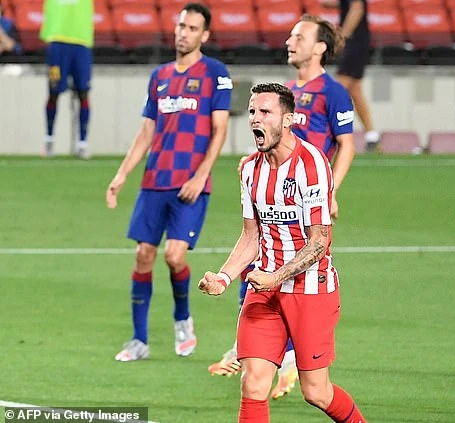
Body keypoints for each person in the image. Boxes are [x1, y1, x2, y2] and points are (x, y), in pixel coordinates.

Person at [207, 14, 355, 401]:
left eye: (299, 36)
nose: (290, 42)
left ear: (320, 47)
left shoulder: (332, 92)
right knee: (257, 265)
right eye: (290, 36)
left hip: (309, 202)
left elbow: (347, 145)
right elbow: (250, 235)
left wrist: (331, 190)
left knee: (317, 391)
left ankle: (288, 356)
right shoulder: (286, 93)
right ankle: (260, 350)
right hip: (276, 199)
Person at [105, 2, 232, 362]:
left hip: (190, 184)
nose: (183, 33)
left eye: (192, 28)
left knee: (175, 256)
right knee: (143, 255)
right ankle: (139, 340)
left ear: (204, 35)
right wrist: (122, 174)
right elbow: (147, 131)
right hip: (154, 181)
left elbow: (220, 130)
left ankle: (182, 319)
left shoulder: (215, 73)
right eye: (181, 26)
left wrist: (201, 175)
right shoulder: (159, 76)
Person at [322, 0, 379, 151]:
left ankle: (321, 133)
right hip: (358, 43)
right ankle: (372, 136)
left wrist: (341, 36)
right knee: (355, 90)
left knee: (337, 88)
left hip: (355, 43)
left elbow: (357, 9)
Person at [40, 0, 94, 159]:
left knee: (84, 92)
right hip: (57, 41)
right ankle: (49, 140)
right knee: (53, 92)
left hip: (81, 42)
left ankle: (82, 144)